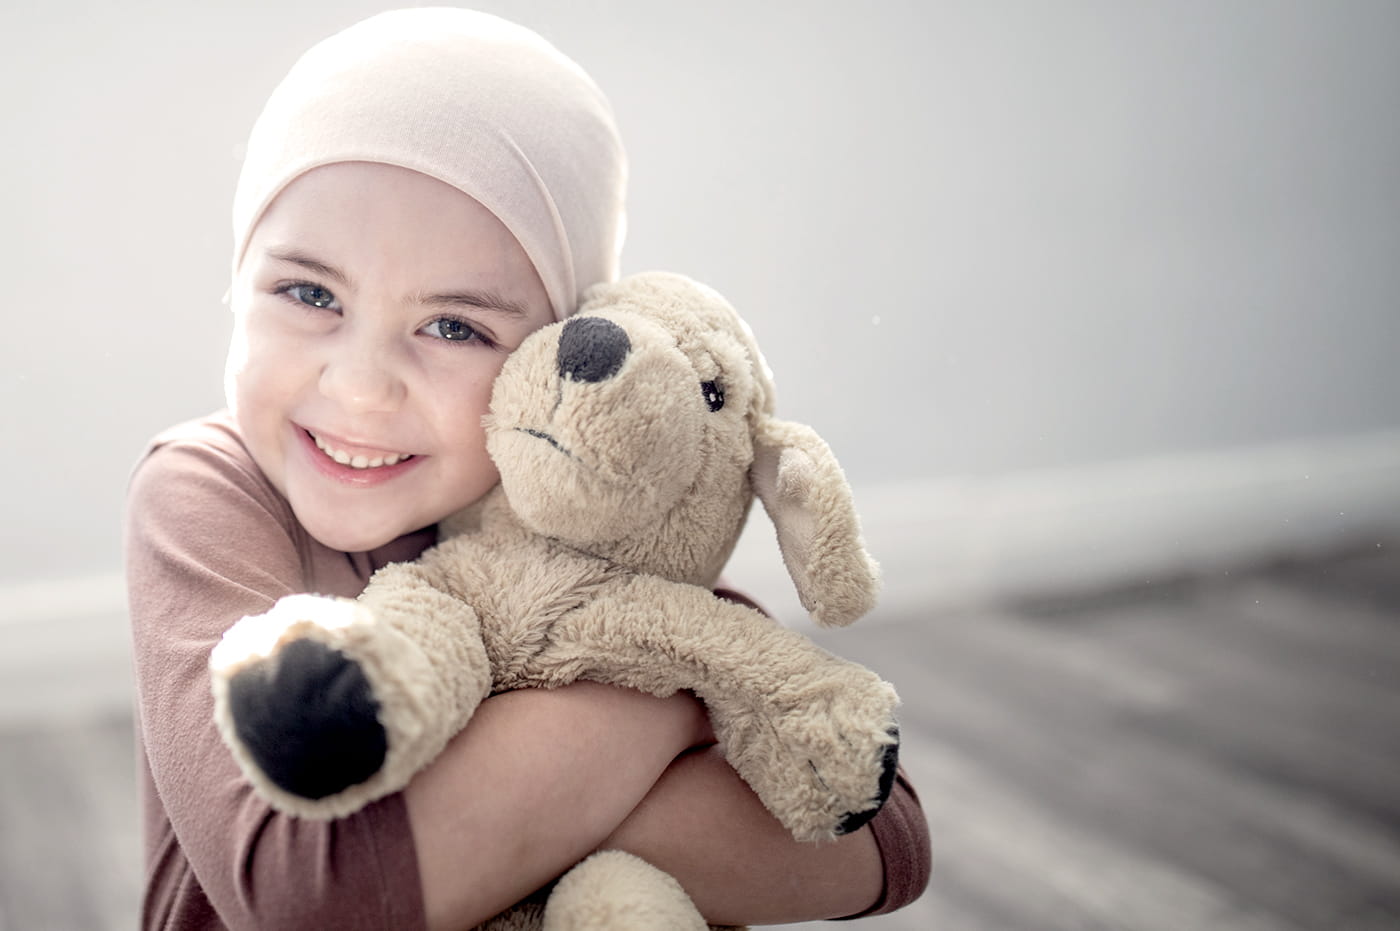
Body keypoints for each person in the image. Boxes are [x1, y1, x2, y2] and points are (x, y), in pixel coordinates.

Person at [124, 9, 930, 929]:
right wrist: (660, 700)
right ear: (237, 284)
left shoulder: (577, 521)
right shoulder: (203, 492)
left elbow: (881, 835)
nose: (358, 389)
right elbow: (309, 894)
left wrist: (486, 837)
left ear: (548, 354)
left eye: (454, 326)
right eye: (310, 293)